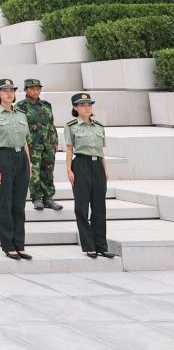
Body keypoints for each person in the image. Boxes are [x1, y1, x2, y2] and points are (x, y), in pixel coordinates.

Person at [0, 78, 32, 260]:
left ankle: (19, 244)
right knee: (5, 202)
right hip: (4, 157)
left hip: (21, 158)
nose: (9, 93)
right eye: (5, 91)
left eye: (11, 90)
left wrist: (28, 163)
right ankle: (8, 245)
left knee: (19, 204)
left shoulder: (21, 114)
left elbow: (25, 141)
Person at [65, 93, 115, 259]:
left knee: (99, 207)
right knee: (81, 207)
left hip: (97, 165)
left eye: (89, 105)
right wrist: (69, 170)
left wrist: (105, 169)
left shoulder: (99, 126)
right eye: (82, 105)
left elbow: (101, 150)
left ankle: (101, 246)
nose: (87, 108)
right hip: (80, 165)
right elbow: (70, 149)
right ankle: (89, 245)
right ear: (75, 107)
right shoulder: (71, 126)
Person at [19, 78, 63, 211]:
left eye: (38, 89)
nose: (36, 91)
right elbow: (20, 127)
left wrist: (55, 141)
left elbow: (51, 124)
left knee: (48, 171)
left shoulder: (46, 105)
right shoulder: (21, 106)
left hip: (48, 144)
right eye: (32, 89)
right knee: (35, 172)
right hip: (33, 145)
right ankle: (37, 198)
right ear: (26, 90)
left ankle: (48, 197)